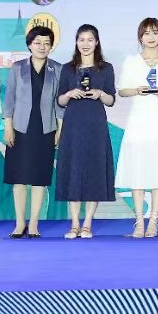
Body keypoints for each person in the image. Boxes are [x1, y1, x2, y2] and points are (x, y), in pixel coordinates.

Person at [115, 17, 158, 238]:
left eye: (155, 32)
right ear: (140, 37)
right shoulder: (132, 61)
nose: (151, 37)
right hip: (137, 120)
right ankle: (139, 222)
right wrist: (136, 90)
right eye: (146, 33)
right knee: (137, 168)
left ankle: (153, 220)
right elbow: (122, 90)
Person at [53, 24, 116, 238]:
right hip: (73, 126)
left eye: (90, 40)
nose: (86, 44)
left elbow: (111, 100)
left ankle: (87, 223)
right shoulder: (68, 68)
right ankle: (74, 224)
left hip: (96, 125)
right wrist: (70, 93)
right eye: (82, 40)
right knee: (73, 170)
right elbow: (60, 101)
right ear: (76, 42)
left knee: (94, 171)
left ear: (96, 42)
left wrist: (100, 93)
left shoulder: (106, 68)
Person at [2, 25, 62, 237]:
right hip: (19, 128)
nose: (42, 47)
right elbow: (9, 99)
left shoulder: (58, 69)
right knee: (19, 178)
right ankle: (20, 223)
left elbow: (60, 104)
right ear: (29, 45)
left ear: (51, 46)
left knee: (39, 178)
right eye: (38, 43)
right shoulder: (17, 67)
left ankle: (34, 223)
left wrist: (60, 130)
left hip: (46, 128)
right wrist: (8, 127)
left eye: (47, 43)